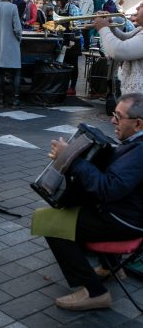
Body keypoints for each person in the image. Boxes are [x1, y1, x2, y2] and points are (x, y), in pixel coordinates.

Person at [43, 93, 143, 311]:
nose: (112, 120)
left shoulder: (141, 151)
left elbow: (108, 189)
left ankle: (95, 292)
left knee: (49, 222)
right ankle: (110, 266)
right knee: (69, 206)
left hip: (125, 220)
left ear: (138, 124)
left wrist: (72, 158)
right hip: (125, 212)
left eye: (118, 116)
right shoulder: (136, 143)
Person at [93, 2, 143, 95]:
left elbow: (118, 51)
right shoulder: (140, 29)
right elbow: (125, 38)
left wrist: (103, 28)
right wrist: (110, 25)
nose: (136, 8)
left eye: (142, 6)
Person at [55, 0, 81, 96]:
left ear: (63, 0)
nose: (57, 3)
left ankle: (73, 87)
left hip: (73, 40)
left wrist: (72, 39)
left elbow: (77, 25)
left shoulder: (73, 8)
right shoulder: (59, 9)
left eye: (58, 1)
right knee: (63, 63)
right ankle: (64, 85)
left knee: (73, 64)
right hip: (64, 39)